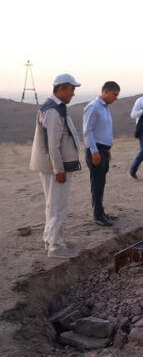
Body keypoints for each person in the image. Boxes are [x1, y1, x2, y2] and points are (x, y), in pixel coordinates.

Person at [30, 74, 82, 258]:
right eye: (71, 89)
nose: (73, 93)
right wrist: (59, 169)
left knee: (53, 205)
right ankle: (55, 247)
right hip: (56, 167)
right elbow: (53, 145)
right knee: (58, 207)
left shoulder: (55, 107)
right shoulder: (53, 111)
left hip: (51, 165)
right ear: (60, 88)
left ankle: (50, 239)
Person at [83, 81, 120, 226]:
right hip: (96, 150)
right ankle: (98, 216)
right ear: (105, 92)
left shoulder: (104, 108)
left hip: (103, 150)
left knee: (101, 182)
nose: (116, 98)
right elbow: (87, 131)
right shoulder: (93, 107)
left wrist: (107, 150)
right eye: (114, 95)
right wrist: (94, 152)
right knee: (97, 183)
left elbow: (102, 131)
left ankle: (101, 212)